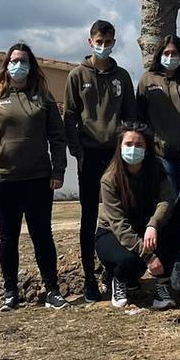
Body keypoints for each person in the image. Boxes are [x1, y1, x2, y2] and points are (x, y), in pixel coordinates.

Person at [0, 43, 68, 311]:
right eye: (14, 60)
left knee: (42, 235)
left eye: (23, 60)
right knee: (8, 237)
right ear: (6, 65)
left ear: (31, 65)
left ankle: (52, 289)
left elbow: (57, 137)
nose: (18, 65)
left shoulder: (44, 97)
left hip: (39, 179)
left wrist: (58, 170)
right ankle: (10, 292)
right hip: (4, 182)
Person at [62, 19, 136, 302]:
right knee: (89, 216)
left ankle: (115, 271)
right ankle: (89, 278)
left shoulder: (123, 76)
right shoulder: (76, 76)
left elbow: (131, 117)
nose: (103, 47)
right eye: (99, 42)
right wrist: (77, 153)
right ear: (90, 42)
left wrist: (127, 154)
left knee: (120, 213)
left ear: (114, 43)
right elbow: (69, 117)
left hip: (117, 156)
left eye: (108, 42)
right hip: (89, 155)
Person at [96, 124, 178, 310]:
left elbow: (166, 200)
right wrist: (148, 256)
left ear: (147, 147)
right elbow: (118, 224)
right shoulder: (109, 179)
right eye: (128, 144)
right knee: (129, 260)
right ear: (120, 146)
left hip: (147, 227)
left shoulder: (157, 170)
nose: (133, 149)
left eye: (139, 145)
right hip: (112, 233)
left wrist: (153, 224)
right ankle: (118, 278)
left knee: (172, 232)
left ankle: (162, 287)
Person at [136, 34, 180, 193]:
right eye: (166, 54)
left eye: (174, 54)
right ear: (160, 55)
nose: (170, 57)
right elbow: (139, 116)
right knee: (167, 197)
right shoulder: (147, 79)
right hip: (158, 152)